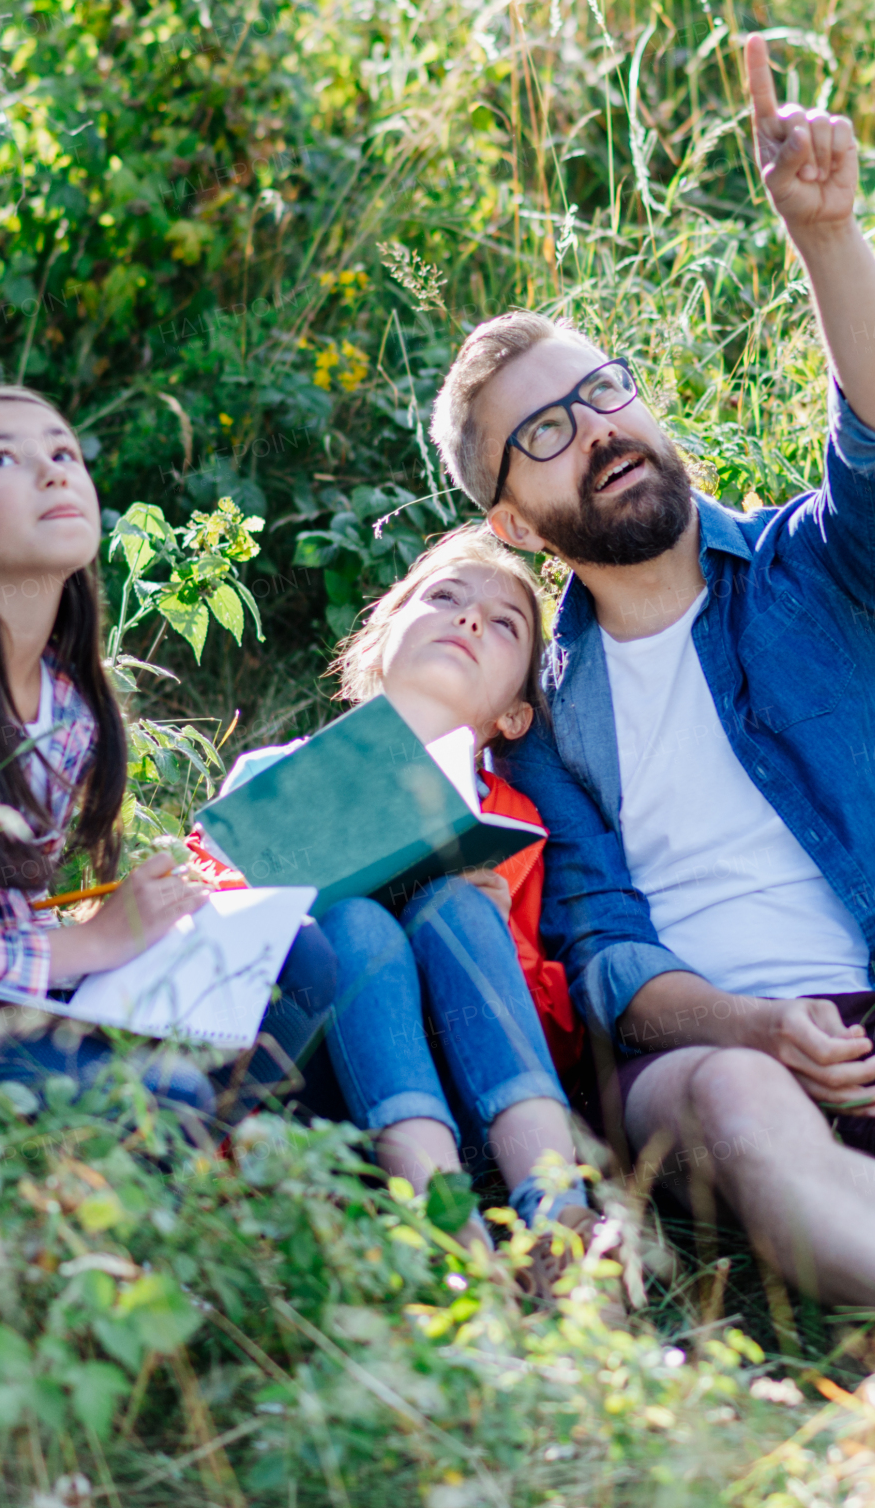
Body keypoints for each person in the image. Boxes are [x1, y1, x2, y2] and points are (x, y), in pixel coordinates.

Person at [428, 35, 875, 1378]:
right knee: (749, 1098)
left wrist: (825, 233)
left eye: (604, 392)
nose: (601, 428)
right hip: (715, 1052)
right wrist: (751, 1025)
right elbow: (603, 953)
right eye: (549, 432)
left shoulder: (817, 577)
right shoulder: (544, 706)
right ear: (516, 517)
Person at [0, 388, 335, 1124]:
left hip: (21, 988)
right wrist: (86, 947)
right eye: (4, 458)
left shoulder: (68, 702)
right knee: (165, 1096)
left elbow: (3, 906)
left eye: (64, 452)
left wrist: (134, 925)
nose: (53, 472)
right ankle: (165, 1160)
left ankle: (218, 1162)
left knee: (302, 957)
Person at [205, 527, 608, 1284]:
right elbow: (222, 957)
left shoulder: (512, 825)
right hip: (314, 1092)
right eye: (445, 598)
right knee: (353, 923)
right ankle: (447, 1233)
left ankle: (561, 1218)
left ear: (515, 717)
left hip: (472, 1100)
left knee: (458, 910)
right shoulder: (272, 777)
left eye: (503, 625)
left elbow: (544, 1026)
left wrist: (496, 932)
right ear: (378, 644)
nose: (469, 620)